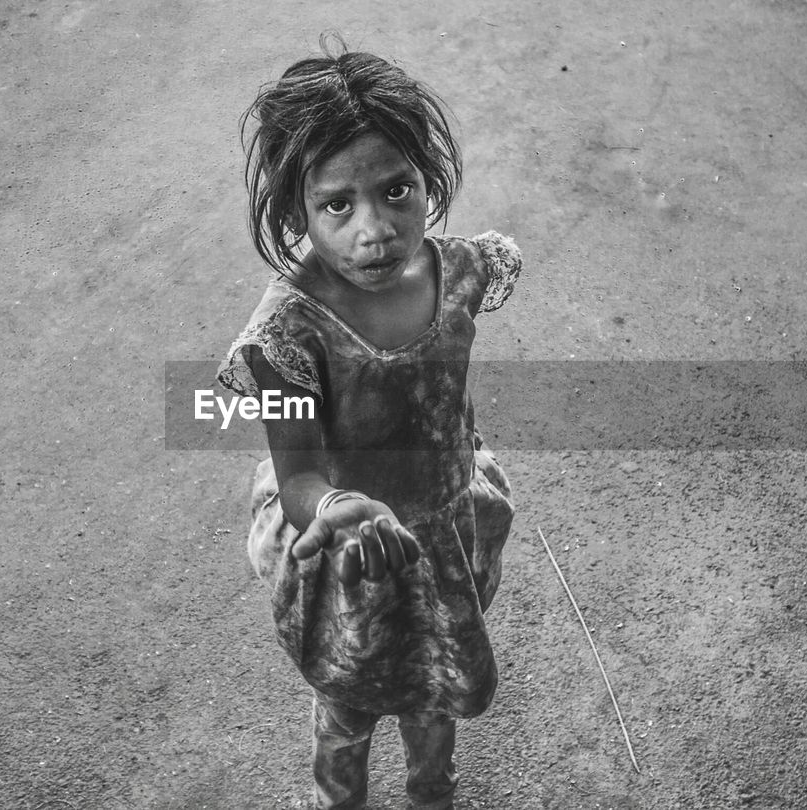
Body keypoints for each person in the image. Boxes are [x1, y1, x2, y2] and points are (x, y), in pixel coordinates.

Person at [216, 39, 521, 810]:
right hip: (349, 553)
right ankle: (339, 798)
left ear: (428, 180)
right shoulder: (287, 335)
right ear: (297, 212)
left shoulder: (457, 272)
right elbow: (298, 480)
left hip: (446, 531)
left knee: (435, 687)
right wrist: (333, 510)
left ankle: (431, 791)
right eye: (337, 205)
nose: (375, 230)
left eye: (397, 190)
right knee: (349, 703)